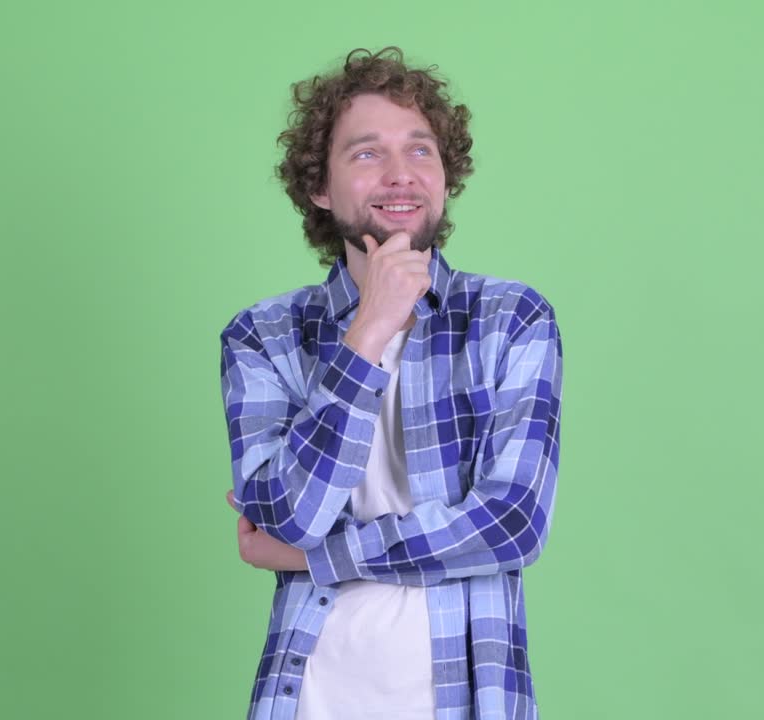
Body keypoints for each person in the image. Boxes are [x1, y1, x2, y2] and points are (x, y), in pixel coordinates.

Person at [219, 46, 563, 720]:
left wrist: (317, 558)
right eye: (367, 152)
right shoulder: (263, 336)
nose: (401, 174)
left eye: (420, 150)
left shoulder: (512, 319)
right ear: (320, 187)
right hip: (308, 696)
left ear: (445, 175)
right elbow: (290, 515)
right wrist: (369, 330)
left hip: (467, 698)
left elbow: (513, 523)